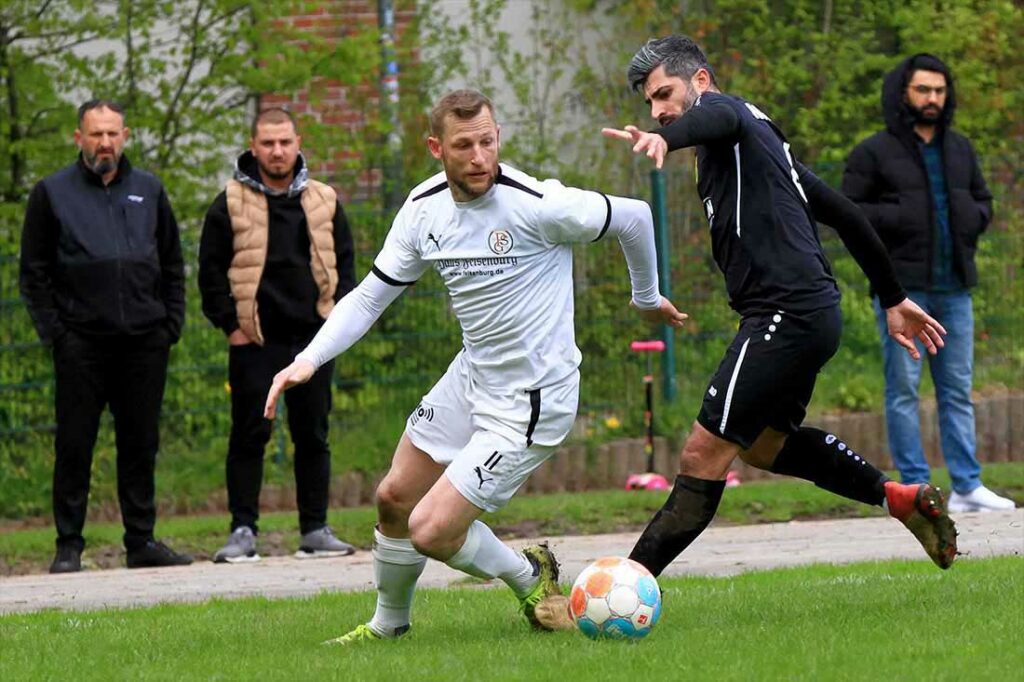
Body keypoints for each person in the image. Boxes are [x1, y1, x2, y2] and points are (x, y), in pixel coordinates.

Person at [264, 89, 686, 643]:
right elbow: (369, 297)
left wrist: (645, 295)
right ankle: (389, 627)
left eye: (488, 141)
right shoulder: (423, 209)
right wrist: (307, 360)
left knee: (431, 530)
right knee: (393, 498)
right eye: (464, 145)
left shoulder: (539, 204)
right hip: (472, 376)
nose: (479, 156)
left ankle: (528, 575)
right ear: (437, 147)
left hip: (534, 399)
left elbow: (634, 216)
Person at [601, 35, 959, 578]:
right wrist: (893, 297)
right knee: (764, 448)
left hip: (784, 316)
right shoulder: (763, 146)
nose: (659, 111)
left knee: (702, 455)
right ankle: (898, 498)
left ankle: (623, 586)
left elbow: (712, 117)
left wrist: (663, 139)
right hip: (810, 315)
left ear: (700, 80)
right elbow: (845, 214)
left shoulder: (728, 114)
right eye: (650, 104)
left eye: (664, 94)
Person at [19, 99, 192, 573]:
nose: (105, 143)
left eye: (112, 133)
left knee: (140, 444)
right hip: (80, 345)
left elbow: (173, 264)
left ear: (126, 136)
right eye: (95, 134)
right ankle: (69, 545)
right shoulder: (51, 193)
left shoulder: (149, 190)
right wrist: (57, 335)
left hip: (144, 342)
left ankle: (141, 540)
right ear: (79, 138)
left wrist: (168, 324)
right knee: (75, 443)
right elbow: (33, 275)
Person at [842, 54, 1015, 514]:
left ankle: (968, 486)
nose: (932, 98)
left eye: (939, 91)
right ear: (904, 92)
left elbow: (983, 200)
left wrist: (972, 219)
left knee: (957, 389)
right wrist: (901, 215)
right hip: (902, 293)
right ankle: (918, 489)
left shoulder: (959, 149)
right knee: (903, 391)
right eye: (923, 90)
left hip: (954, 288)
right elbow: (847, 211)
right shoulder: (873, 152)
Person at [198, 108, 357, 563]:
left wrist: (336, 326)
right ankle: (243, 530)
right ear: (253, 146)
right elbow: (209, 273)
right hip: (255, 342)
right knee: (249, 435)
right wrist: (231, 327)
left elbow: (346, 267)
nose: (277, 151)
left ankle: (315, 529)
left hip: (314, 342)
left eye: (285, 142)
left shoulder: (325, 199)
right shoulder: (228, 202)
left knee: (314, 434)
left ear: (298, 141)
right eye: (268, 143)